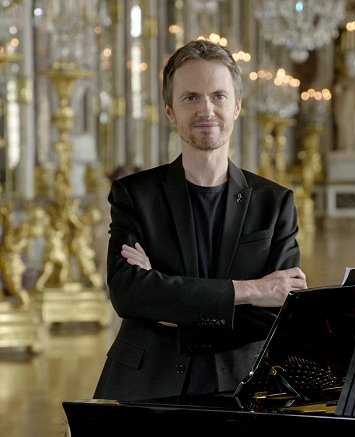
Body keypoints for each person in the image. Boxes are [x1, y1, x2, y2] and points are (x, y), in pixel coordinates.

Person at [93, 39, 307, 401]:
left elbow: (278, 315)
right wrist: (252, 290)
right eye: (190, 97)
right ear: (170, 111)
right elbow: (130, 294)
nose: (206, 109)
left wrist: (172, 306)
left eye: (218, 96)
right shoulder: (135, 195)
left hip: (244, 388)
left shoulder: (275, 202)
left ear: (236, 106)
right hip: (147, 388)